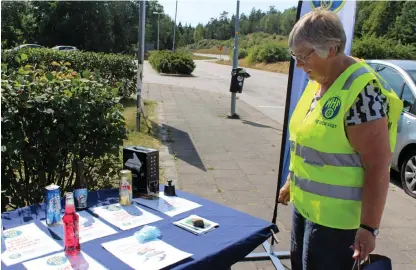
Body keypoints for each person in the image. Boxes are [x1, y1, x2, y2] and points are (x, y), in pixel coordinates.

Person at [278, 7, 403, 270]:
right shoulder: (319, 80)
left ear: (331, 49)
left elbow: (378, 165)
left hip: (337, 227)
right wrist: (291, 179)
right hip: (306, 211)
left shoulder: (361, 94)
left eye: (303, 56)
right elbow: (305, 140)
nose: (298, 65)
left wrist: (369, 228)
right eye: (294, 56)